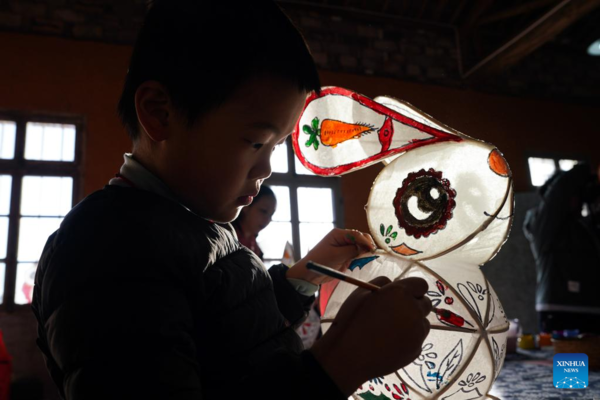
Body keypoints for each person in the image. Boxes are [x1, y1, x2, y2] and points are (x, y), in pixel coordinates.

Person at [31, 2, 432, 399]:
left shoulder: (194, 222)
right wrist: (345, 360)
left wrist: (308, 273)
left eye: (276, 145)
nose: (266, 168)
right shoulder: (106, 248)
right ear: (160, 113)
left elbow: (234, 325)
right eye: (256, 141)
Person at [523, 162, 600, 334]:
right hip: (560, 310)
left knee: (592, 361)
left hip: (592, 310)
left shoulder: (584, 227)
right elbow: (559, 193)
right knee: (567, 361)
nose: (576, 199)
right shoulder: (543, 226)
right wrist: (587, 170)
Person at [232, 185, 277, 260]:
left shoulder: (257, 250)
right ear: (246, 206)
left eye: (271, 215)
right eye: (263, 211)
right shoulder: (224, 237)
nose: (267, 219)